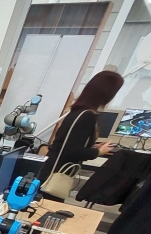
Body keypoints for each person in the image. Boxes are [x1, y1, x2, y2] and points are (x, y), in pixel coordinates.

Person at [39, 70, 123, 200]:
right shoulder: (87, 116)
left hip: (52, 168)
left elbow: (68, 141)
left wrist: (91, 146)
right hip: (57, 173)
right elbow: (71, 150)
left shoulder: (78, 111)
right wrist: (98, 152)